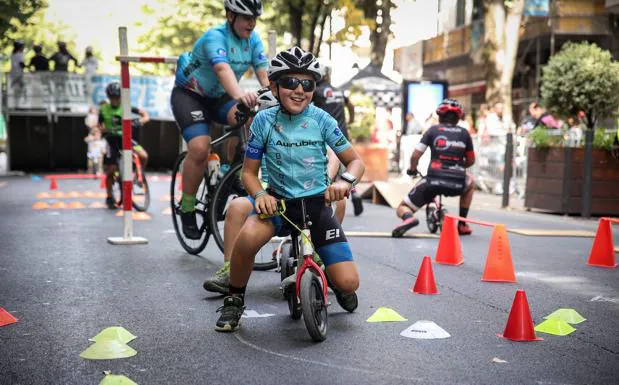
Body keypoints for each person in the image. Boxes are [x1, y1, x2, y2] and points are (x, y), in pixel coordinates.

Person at [215, 47, 365, 332]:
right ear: (273, 86)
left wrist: (344, 182)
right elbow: (248, 173)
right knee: (246, 240)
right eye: (290, 83)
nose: (299, 90)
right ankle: (234, 299)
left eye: (307, 84)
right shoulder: (263, 121)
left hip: (317, 206)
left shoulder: (322, 120)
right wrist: (260, 195)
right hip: (280, 206)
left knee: (349, 282)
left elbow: (355, 162)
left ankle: (333, 276)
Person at [171, 0, 269, 240]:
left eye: (254, 18)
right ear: (230, 16)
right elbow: (222, 70)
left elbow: (264, 71)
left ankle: (231, 170)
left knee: (251, 121)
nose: (251, 23)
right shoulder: (215, 37)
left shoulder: (253, 40)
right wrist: (240, 95)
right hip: (190, 96)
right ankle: (187, 207)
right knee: (199, 148)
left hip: (218, 97)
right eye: (246, 18)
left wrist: (272, 94)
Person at [392, 99, 476, 238]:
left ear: (440, 116)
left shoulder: (433, 131)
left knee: (402, 207)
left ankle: (409, 218)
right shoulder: (465, 134)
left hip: (432, 181)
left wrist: (412, 169)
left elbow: (415, 155)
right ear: (458, 117)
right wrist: (459, 167)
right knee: (471, 182)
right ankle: (462, 224)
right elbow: (471, 160)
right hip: (458, 182)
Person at [312, 62, 363, 219]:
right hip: (342, 134)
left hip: (326, 136)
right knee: (344, 169)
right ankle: (354, 194)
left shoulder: (316, 91)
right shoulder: (339, 91)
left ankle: (333, 206)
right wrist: (351, 121)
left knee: (332, 172)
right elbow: (351, 106)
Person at [98, 82, 150, 209]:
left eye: (117, 97)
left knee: (143, 155)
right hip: (111, 140)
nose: (115, 100)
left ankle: (138, 176)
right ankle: (109, 196)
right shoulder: (103, 109)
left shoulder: (127, 107)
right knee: (110, 170)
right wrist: (102, 129)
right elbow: (99, 125)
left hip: (126, 138)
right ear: (108, 97)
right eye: (112, 98)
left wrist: (140, 121)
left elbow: (145, 115)